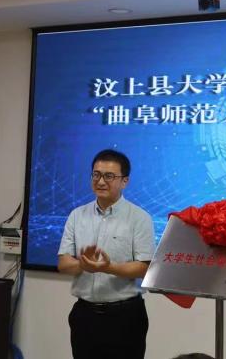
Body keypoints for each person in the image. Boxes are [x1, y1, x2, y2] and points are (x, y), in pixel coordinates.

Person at [58, 149, 156, 359]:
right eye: (96, 174)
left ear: (124, 181)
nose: (101, 181)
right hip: (84, 315)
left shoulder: (140, 218)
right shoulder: (77, 215)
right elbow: (63, 263)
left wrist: (108, 268)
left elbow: (144, 267)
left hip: (125, 317)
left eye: (109, 176)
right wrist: (82, 265)